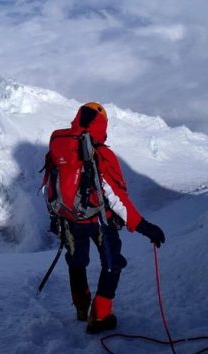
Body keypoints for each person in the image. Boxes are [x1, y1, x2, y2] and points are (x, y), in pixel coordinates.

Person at [40, 102, 165, 334]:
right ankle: (100, 315)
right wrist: (146, 228)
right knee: (111, 263)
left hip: (69, 219)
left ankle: (80, 307)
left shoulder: (60, 145)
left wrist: (57, 217)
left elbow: (50, 185)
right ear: (101, 125)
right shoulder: (100, 154)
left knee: (77, 262)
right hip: (100, 220)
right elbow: (117, 198)